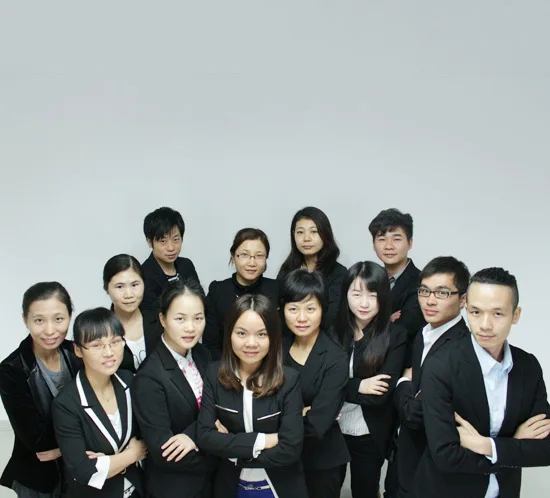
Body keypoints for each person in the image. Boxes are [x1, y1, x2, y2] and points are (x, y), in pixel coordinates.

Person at [411, 267, 550, 498]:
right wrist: (514, 445)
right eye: (475, 312)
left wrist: (486, 446)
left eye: (498, 314)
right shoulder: (441, 365)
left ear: (515, 315)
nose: (485, 325)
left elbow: (545, 449)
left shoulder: (528, 366)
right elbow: (446, 456)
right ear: (466, 307)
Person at [197, 294, 307, 498]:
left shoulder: (289, 380)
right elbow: (205, 437)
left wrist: (233, 453)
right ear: (229, 334)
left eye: (262, 334)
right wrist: (263, 441)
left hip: (279, 486)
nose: (251, 343)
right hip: (229, 485)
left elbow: (290, 448)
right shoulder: (213, 374)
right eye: (241, 333)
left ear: (273, 337)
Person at [392, 256, 471, 497]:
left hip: (432, 466)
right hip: (407, 455)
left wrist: (403, 382)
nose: (430, 300)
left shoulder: (462, 349)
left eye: (442, 293)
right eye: (424, 291)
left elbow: (414, 413)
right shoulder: (424, 333)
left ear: (463, 299)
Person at [329, 262, 407, 498]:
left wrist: (342, 387)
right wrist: (360, 386)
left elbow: (379, 395)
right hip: (331, 429)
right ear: (346, 295)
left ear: (383, 297)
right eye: (356, 294)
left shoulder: (396, 336)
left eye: (372, 295)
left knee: (365, 492)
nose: (364, 303)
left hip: (369, 433)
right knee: (326, 490)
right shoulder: (332, 331)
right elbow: (321, 384)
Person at [133, 279, 215, 498]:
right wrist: (219, 449)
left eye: (198, 318)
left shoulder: (202, 354)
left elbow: (220, 407)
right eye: (180, 319)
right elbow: (164, 453)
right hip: (176, 487)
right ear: (163, 319)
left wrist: (191, 436)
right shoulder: (149, 377)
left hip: (210, 484)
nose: (190, 327)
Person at [52, 308, 146, 498]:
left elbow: (151, 435)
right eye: (97, 345)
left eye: (115, 341)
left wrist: (107, 463)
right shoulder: (66, 404)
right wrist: (132, 454)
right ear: (78, 349)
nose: (109, 352)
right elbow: (84, 471)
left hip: (136, 489)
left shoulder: (130, 381)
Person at [0, 282, 81, 498]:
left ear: (70, 316)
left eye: (58, 319)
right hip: (38, 480)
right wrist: (84, 437)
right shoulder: (12, 370)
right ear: (25, 319)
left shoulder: (77, 353)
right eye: (39, 320)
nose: (50, 330)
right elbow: (38, 441)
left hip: (78, 473)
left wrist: (62, 450)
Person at [279, 269, 349, 498]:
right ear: (283, 309)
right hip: (280, 460)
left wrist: (279, 416)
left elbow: (318, 422)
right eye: (293, 309)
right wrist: (300, 412)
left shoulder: (335, 357)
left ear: (322, 310)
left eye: (310, 309)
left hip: (321, 462)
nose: (301, 318)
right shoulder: (276, 349)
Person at [203, 228, 278, 360]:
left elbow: (281, 339)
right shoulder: (218, 290)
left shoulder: (276, 289)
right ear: (233, 257)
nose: (252, 263)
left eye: (259, 256)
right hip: (226, 366)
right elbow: (210, 345)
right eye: (244, 255)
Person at [277, 206, 346, 330]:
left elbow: (333, 317)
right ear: (293, 235)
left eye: (314, 232)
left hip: (324, 338)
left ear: (325, 234)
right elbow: (279, 312)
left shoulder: (338, 273)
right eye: (300, 232)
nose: (306, 238)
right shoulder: (287, 270)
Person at [368, 208, 425, 356]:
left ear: (410, 243)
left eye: (397, 239)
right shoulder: (369, 280)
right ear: (374, 245)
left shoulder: (421, 283)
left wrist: (371, 321)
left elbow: (402, 331)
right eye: (382, 239)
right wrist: (386, 320)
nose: (389, 246)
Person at [103, 254, 163, 372]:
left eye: (134, 285)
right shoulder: (101, 330)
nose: (129, 294)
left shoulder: (160, 319)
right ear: (106, 288)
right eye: (120, 287)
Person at [141, 207, 199, 313]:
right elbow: (152, 316)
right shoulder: (144, 275)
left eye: (176, 239)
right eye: (163, 241)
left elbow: (200, 301)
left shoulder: (187, 265)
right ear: (149, 242)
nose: (171, 248)